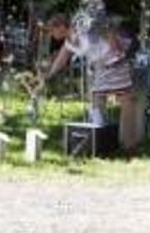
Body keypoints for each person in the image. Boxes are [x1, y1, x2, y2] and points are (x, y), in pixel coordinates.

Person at [42, 13, 141, 153]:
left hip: (115, 62)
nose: (51, 34)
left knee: (126, 101)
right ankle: (98, 140)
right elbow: (61, 58)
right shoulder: (70, 41)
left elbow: (107, 27)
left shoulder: (82, 28)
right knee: (96, 100)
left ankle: (129, 144)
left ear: (62, 26)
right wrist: (48, 75)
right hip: (101, 67)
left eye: (52, 30)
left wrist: (115, 45)